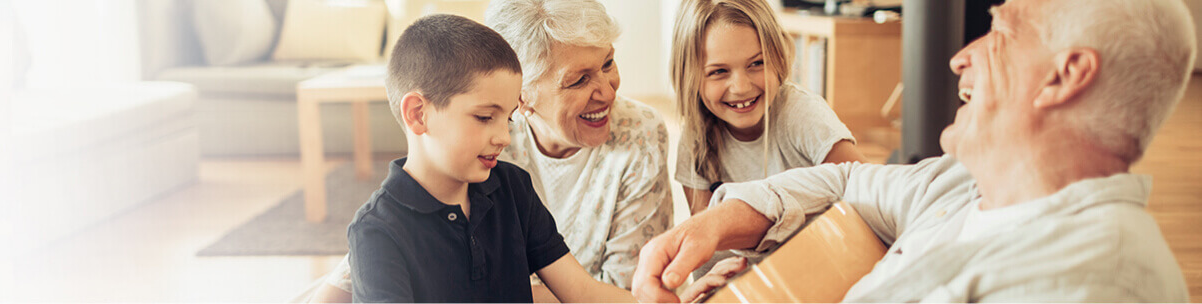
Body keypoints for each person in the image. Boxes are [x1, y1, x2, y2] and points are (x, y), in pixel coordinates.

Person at [631, 0, 1197, 302]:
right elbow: (849, 180)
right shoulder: (958, 183)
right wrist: (717, 225)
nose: (961, 58)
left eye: (1002, 31)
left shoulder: (1091, 280)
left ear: (1065, 75)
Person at [304, 0, 682, 301]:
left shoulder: (511, 187)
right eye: (579, 80)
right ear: (525, 97)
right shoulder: (380, 228)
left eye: (608, 64)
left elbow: (586, 293)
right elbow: (347, 282)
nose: (503, 136)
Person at [669, 0, 867, 217]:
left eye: (756, 63)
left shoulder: (800, 112)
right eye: (718, 71)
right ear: (690, 78)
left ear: (778, 58)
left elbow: (869, 188)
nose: (741, 87)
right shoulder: (695, 138)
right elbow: (707, 236)